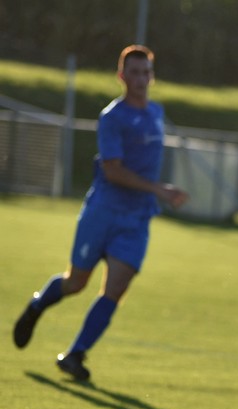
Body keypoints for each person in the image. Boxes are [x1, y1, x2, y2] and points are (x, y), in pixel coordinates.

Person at [12, 45, 188, 380]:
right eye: (134, 72)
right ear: (121, 76)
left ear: (152, 76)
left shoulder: (157, 113)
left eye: (146, 72)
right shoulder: (112, 117)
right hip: (103, 212)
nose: (140, 79)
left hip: (136, 219)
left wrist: (157, 191)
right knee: (76, 283)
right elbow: (113, 171)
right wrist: (158, 189)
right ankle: (36, 307)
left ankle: (75, 355)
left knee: (117, 287)